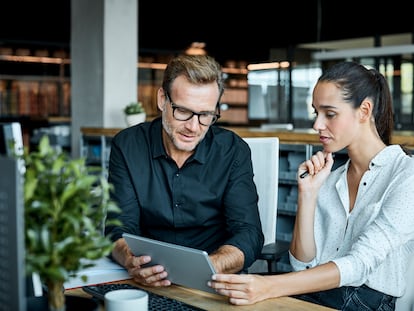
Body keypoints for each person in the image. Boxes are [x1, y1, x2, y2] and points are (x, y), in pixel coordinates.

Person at [208, 61, 414, 310]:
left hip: (367, 303)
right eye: (316, 113)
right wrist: (307, 194)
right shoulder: (331, 178)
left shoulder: (406, 175)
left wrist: (269, 286)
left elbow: (359, 264)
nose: (317, 125)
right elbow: (301, 264)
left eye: (330, 113)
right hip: (319, 295)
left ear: (364, 110)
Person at [104, 54, 264, 288]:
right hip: (147, 278)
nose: (193, 126)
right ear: (162, 100)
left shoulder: (233, 151)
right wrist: (131, 260)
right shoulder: (128, 146)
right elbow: (118, 227)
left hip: (213, 280)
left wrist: (208, 266)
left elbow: (248, 233)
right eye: (182, 111)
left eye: (205, 115)